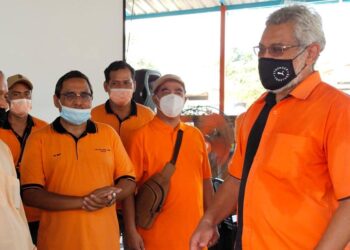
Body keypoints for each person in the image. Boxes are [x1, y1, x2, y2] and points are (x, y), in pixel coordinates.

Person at [190, 5, 350, 250]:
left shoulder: (338, 110)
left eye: (278, 49)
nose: (266, 58)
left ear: (311, 53)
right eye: (262, 50)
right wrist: (209, 220)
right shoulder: (256, 111)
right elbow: (236, 178)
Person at [20, 70, 136, 250]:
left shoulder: (108, 134)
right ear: (56, 100)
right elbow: (30, 193)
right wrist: (84, 201)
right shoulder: (39, 139)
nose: (78, 101)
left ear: (91, 99)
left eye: (85, 95)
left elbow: (128, 179)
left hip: (104, 242)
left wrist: (113, 194)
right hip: (57, 242)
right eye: (69, 95)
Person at [123, 74, 215, 250]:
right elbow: (128, 188)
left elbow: (206, 181)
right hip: (153, 236)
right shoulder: (140, 137)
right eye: (165, 91)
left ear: (185, 99)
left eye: (178, 91)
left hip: (194, 235)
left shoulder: (195, 135)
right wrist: (130, 231)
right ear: (155, 98)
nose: (172, 96)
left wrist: (211, 222)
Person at [0, 73, 48, 244]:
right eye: (16, 94)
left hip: (38, 211)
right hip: (8, 213)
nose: (23, 99)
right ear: (8, 97)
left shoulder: (44, 129)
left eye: (27, 94)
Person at [91, 60, 154, 149]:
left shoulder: (149, 116)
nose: (121, 88)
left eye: (126, 83)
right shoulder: (93, 116)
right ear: (106, 86)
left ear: (134, 86)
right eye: (115, 83)